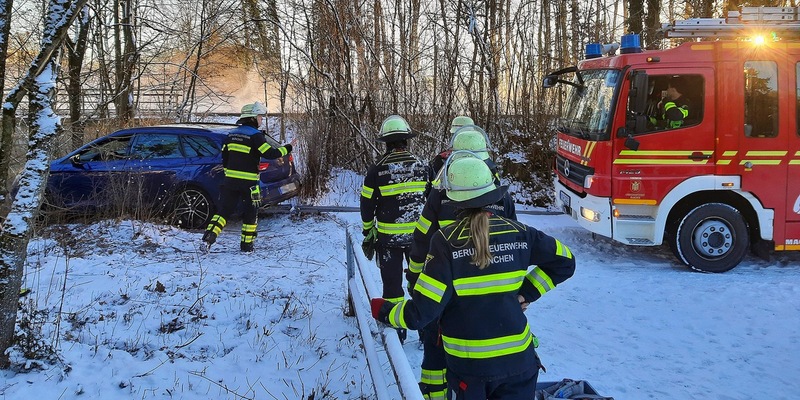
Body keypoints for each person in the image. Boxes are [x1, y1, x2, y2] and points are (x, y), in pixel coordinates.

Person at [371, 155, 576, 400]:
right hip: (519, 364)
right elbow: (565, 261)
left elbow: (421, 312)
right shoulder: (521, 233)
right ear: (492, 193)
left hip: (470, 371)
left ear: (452, 198)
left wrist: (385, 311)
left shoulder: (445, 242)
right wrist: (526, 293)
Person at [407, 146, 516, 400]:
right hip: (495, 299)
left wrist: (415, 281)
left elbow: (421, 240)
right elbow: (515, 243)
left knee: (436, 353)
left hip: (446, 293)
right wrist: (521, 294)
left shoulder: (439, 197)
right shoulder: (502, 197)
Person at [360, 115, 432, 342]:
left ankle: (397, 335)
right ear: (406, 141)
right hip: (419, 240)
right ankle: (425, 330)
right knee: (421, 283)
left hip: (388, 240)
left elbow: (367, 203)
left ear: (386, 143)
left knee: (392, 286)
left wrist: (368, 230)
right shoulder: (423, 166)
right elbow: (432, 201)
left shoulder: (377, 170)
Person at [202, 101, 293, 252]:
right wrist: (288, 148)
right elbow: (270, 153)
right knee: (251, 213)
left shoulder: (231, 135)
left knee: (224, 211)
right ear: (252, 117)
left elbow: (225, 157)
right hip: (250, 183)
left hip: (230, 181)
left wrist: (230, 173)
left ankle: (208, 239)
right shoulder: (256, 136)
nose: (261, 119)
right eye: (259, 117)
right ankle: (246, 245)